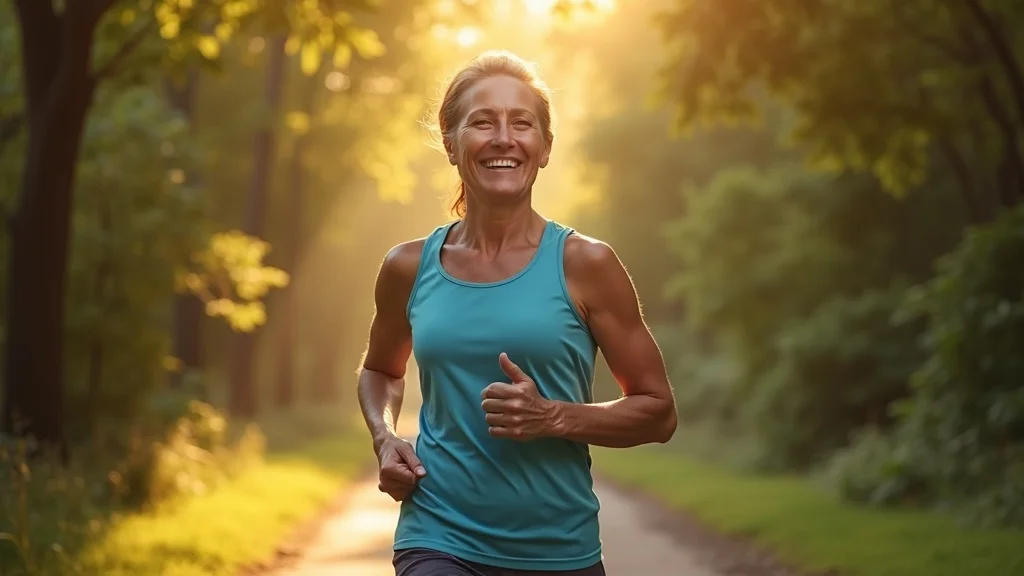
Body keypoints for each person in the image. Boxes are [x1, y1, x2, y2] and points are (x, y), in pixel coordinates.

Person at [357, 49, 677, 576]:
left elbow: (659, 412)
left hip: (559, 552)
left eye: (521, 124)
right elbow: (380, 370)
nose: (504, 138)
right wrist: (385, 437)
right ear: (452, 144)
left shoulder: (586, 264)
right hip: (438, 537)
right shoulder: (407, 267)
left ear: (544, 148)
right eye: (482, 122)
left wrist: (554, 416)